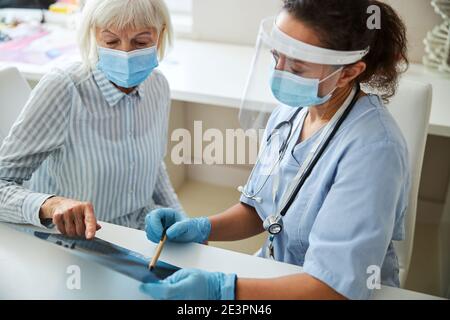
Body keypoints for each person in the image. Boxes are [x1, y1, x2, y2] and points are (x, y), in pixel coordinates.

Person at [142, 0, 410, 300]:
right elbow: (263, 211)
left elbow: (334, 289)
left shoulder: (374, 151)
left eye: (296, 65)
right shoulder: (290, 113)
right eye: (276, 57)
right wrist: (202, 227)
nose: (279, 73)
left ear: (348, 73)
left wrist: (222, 290)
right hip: (276, 276)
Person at [0, 0, 183, 239]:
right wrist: (51, 205)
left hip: (140, 234)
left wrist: (181, 219)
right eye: (111, 41)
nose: (125, 53)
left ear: (160, 36)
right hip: (79, 240)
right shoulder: (65, 89)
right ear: (93, 35)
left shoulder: (158, 85)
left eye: (140, 42)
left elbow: (154, 165)